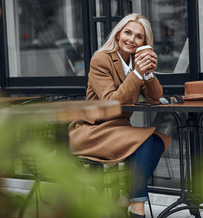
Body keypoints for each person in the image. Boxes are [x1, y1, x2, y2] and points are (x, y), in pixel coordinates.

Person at [68, 13, 172, 218]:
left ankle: (125, 198)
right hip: (92, 130)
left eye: (139, 37)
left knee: (156, 142)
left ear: (145, 42)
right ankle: (137, 207)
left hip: (118, 131)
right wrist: (137, 74)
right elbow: (111, 101)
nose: (131, 39)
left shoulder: (136, 64)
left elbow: (155, 96)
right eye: (128, 33)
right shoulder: (101, 59)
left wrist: (148, 73)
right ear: (117, 35)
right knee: (145, 142)